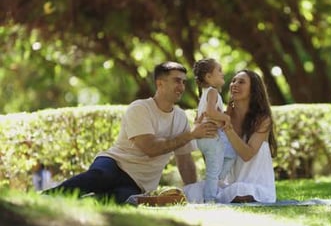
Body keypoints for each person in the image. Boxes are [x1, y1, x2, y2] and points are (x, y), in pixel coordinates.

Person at [43, 62, 217, 204]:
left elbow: (185, 160)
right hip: (115, 163)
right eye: (177, 81)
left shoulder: (180, 118)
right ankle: (46, 197)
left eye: (184, 82)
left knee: (122, 200)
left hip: (138, 183)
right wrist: (191, 135)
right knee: (100, 177)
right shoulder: (140, 108)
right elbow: (150, 148)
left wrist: (193, 193)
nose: (181, 86)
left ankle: (80, 203)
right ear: (160, 83)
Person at [184, 69, 277, 203]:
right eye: (233, 81)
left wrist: (227, 127)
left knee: (239, 190)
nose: (234, 84)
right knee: (193, 190)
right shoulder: (223, 115)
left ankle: (218, 198)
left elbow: (247, 154)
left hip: (255, 186)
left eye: (241, 82)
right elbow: (214, 156)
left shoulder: (262, 119)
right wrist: (202, 130)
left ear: (253, 90)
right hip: (228, 185)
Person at [193, 58, 237, 203]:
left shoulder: (206, 94)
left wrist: (218, 118)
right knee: (213, 170)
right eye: (219, 70)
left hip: (206, 138)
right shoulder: (212, 92)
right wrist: (226, 118)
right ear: (208, 77)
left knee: (231, 154)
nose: (222, 74)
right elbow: (210, 112)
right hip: (211, 138)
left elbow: (200, 117)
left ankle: (216, 183)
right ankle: (209, 199)